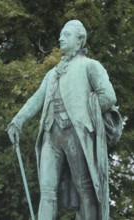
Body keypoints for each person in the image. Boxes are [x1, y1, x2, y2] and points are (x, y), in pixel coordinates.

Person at [7, 20, 117, 220]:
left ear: (80, 39)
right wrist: (18, 120)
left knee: (85, 187)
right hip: (50, 134)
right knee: (47, 190)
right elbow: (36, 99)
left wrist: (87, 113)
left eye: (66, 34)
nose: (60, 38)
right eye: (60, 34)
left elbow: (108, 96)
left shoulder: (90, 66)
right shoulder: (51, 74)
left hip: (76, 132)